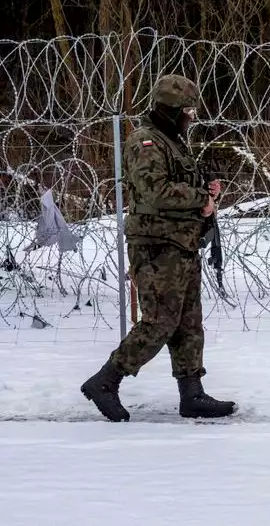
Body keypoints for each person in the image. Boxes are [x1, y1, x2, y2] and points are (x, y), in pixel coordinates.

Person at [80, 74, 236, 421]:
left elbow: (175, 184)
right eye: (186, 110)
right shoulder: (145, 142)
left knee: (188, 323)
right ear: (169, 109)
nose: (191, 117)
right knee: (160, 322)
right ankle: (106, 381)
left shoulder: (173, 140)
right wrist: (200, 200)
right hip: (156, 246)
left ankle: (192, 393)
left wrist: (205, 190)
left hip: (181, 243)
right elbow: (155, 191)